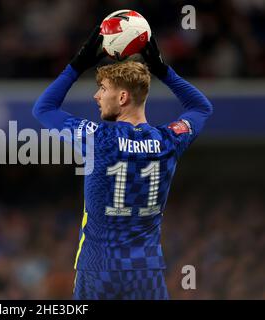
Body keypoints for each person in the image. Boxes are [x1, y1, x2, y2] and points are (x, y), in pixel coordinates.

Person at [32, 26, 213, 299]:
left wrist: (76, 64)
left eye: (102, 89)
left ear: (123, 97)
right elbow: (201, 108)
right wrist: (163, 70)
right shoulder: (169, 140)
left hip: (98, 269)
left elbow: (43, 109)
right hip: (146, 272)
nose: (96, 96)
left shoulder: (98, 138)